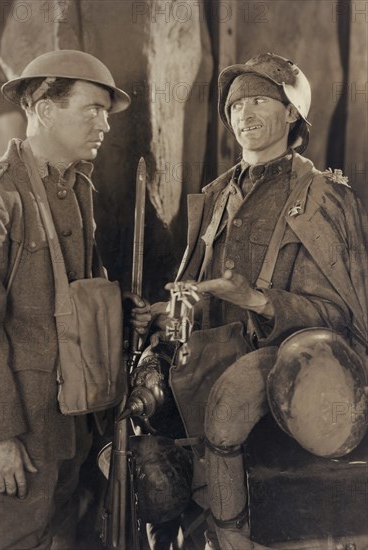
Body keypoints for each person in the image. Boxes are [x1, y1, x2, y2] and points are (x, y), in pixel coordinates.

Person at [0, 49, 151, 550]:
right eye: (91, 109)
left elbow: (67, 300)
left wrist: (120, 315)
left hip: (70, 419)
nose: (105, 125)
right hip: (19, 429)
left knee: (63, 537)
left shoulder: (75, 191)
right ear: (46, 110)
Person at [152, 53, 367, 549]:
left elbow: (340, 320)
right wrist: (173, 311)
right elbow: (202, 293)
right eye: (234, 107)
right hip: (210, 371)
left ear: (292, 113)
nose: (243, 115)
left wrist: (258, 300)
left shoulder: (323, 200)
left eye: (258, 101)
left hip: (293, 389)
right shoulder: (215, 197)